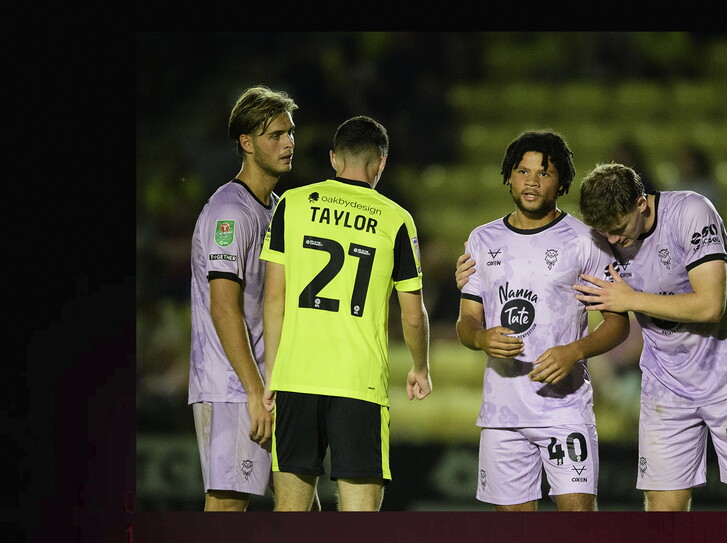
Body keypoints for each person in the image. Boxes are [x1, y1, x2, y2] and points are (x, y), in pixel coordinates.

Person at [572, 162, 727, 511]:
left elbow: (710, 306)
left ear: (641, 203)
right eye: (603, 231)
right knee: (663, 509)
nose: (612, 240)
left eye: (618, 228)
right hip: (666, 387)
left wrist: (631, 299)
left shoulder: (691, 212)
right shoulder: (604, 237)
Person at [260, 115, 433, 511]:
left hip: (296, 376)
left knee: (289, 513)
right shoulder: (396, 219)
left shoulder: (293, 203)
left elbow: (273, 299)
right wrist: (420, 367)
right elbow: (412, 313)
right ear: (382, 162)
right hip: (359, 382)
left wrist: (274, 372)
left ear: (334, 159)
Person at [455, 130, 629, 511]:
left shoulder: (587, 241)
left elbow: (618, 323)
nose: (531, 181)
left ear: (562, 181)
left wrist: (575, 351)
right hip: (503, 413)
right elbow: (466, 322)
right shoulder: (482, 240)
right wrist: (481, 338)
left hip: (564, 409)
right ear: (509, 176)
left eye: (544, 172)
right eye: (522, 170)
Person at [188, 85, 318, 511]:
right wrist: (252, 388)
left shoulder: (276, 208)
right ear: (246, 143)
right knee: (227, 507)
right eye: (275, 135)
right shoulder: (230, 211)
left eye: (291, 133)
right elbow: (223, 306)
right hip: (233, 388)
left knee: (301, 506)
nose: (288, 144)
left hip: (265, 387)